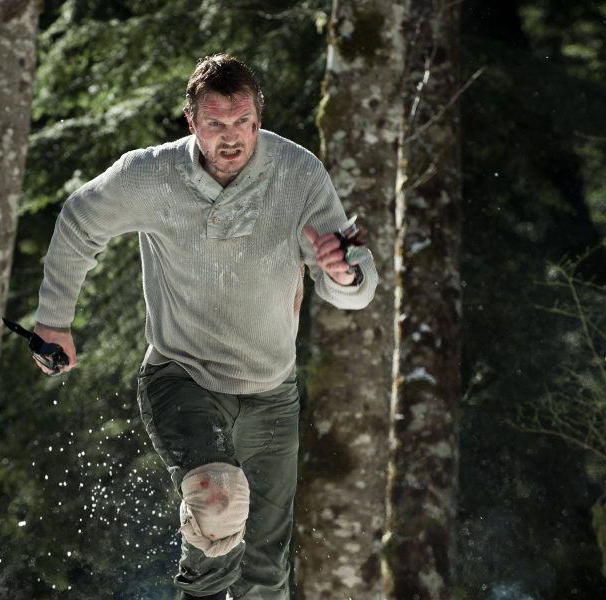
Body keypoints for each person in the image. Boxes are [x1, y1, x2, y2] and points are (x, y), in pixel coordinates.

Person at [32, 54, 377, 600]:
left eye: (243, 121)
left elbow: (353, 282)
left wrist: (344, 273)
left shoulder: (298, 174)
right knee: (218, 505)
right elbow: (79, 221)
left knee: (265, 572)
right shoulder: (150, 176)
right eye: (215, 123)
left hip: (272, 393)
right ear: (192, 121)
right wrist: (54, 321)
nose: (231, 137)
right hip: (182, 375)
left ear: (258, 119)